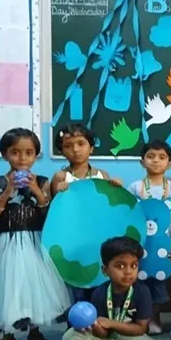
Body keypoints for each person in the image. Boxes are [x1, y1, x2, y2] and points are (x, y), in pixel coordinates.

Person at [0, 128, 71, 340]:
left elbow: (48, 214)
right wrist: (8, 191)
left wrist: (37, 192)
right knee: (8, 287)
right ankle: (7, 336)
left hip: (34, 242)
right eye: (15, 152)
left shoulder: (41, 182)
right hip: (6, 243)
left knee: (34, 288)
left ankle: (35, 332)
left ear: (36, 155)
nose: (22, 158)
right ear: (5, 154)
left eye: (29, 153)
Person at [50, 123, 123, 305]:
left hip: (99, 237)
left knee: (99, 279)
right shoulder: (61, 177)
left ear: (91, 147)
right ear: (62, 151)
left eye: (81, 144)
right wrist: (59, 192)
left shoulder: (102, 175)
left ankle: (100, 318)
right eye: (68, 146)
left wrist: (116, 188)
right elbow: (54, 213)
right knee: (76, 282)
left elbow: (111, 206)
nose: (75, 149)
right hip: (72, 239)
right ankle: (76, 319)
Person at [61, 237, 164, 340]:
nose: (128, 272)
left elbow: (140, 329)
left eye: (134, 265)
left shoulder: (142, 291)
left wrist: (111, 323)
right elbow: (103, 334)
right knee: (70, 335)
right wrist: (96, 326)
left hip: (132, 339)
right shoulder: (99, 293)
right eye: (120, 266)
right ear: (105, 270)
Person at [127, 139, 171, 334]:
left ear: (169, 163)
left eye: (161, 157)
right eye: (150, 156)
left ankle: (154, 316)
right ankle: (139, 318)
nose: (156, 161)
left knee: (159, 282)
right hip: (141, 244)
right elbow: (130, 216)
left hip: (163, 246)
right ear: (142, 162)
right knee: (139, 282)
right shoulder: (135, 187)